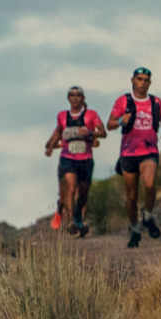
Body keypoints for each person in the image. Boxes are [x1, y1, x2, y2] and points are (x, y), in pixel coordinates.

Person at [107, 67, 161, 248]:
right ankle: (135, 230)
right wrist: (121, 120)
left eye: (146, 80)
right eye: (139, 79)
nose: (142, 83)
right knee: (132, 196)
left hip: (149, 150)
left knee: (149, 185)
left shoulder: (156, 102)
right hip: (128, 153)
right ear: (132, 80)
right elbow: (109, 124)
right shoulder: (123, 101)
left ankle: (148, 217)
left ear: (150, 83)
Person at [44, 85, 107, 237]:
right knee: (70, 189)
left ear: (83, 98)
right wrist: (50, 146)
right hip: (68, 159)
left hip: (85, 160)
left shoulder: (91, 115)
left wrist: (91, 134)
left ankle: (78, 219)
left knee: (83, 194)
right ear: (68, 98)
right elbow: (58, 133)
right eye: (72, 95)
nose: (75, 98)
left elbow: (103, 132)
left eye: (78, 95)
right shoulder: (62, 116)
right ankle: (72, 221)